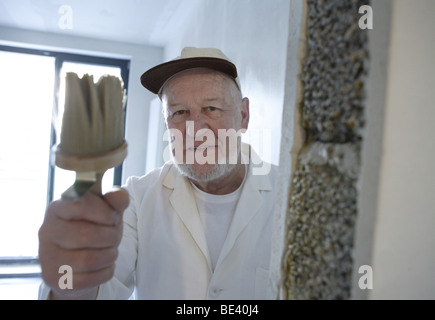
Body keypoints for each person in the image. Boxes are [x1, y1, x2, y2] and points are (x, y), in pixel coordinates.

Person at [38, 47, 278, 300]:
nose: (194, 129)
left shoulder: (295, 196)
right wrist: (70, 276)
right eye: (179, 112)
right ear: (166, 124)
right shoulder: (135, 200)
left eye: (211, 108)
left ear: (243, 115)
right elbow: (95, 292)